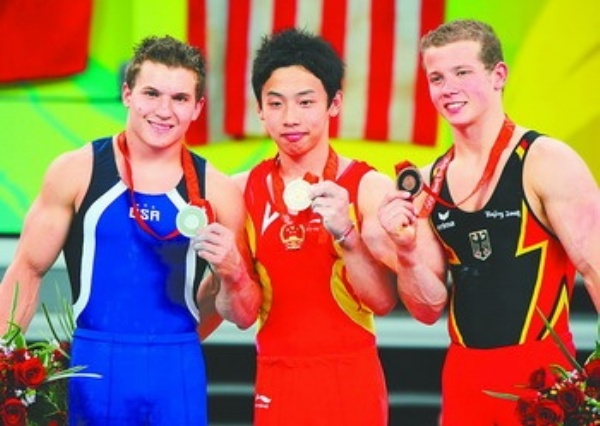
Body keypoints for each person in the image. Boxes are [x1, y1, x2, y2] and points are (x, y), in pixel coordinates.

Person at [0, 35, 255, 425]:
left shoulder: (219, 191)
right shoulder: (77, 171)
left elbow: (243, 313)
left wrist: (233, 273)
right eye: (151, 94)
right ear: (127, 94)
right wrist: (3, 360)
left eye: (180, 98)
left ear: (198, 107)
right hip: (96, 363)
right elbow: (26, 272)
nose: (163, 111)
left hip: (177, 366)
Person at [378, 19, 600, 425]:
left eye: (462, 72)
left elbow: (597, 268)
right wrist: (405, 251)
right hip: (464, 382)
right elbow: (427, 309)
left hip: (543, 381)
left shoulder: (546, 161)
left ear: (498, 75)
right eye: (437, 78)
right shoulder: (427, 183)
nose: (448, 88)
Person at [213, 28, 398, 426]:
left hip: (351, 375)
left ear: (334, 103)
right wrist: (230, 272)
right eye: (275, 103)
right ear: (260, 109)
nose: (290, 118)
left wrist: (348, 236)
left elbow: (383, 302)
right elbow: (241, 316)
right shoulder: (239, 192)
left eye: (305, 102)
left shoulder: (369, 187)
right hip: (277, 377)